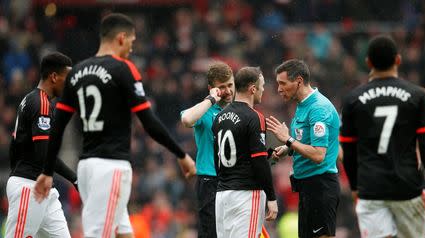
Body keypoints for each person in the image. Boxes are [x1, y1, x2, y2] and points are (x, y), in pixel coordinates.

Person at [33, 13, 196, 238]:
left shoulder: (77, 72)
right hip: (111, 167)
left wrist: (47, 171)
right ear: (121, 38)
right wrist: (181, 154)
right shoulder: (124, 69)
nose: (131, 48)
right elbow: (148, 121)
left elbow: (58, 127)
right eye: (131, 41)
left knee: (123, 232)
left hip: (87, 167)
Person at [340, 35, 425, 238]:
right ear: (398, 59)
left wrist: (354, 186)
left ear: (368, 62)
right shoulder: (419, 96)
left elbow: (349, 151)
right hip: (407, 187)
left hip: (370, 188)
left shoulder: (352, 100)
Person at [5, 52, 77, 237]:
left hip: (42, 189)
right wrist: (74, 178)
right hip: (30, 187)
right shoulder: (41, 104)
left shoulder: (30, 100)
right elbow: (43, 153)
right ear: (54, 76)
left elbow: (15, 147)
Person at [267, 59, 340, 238]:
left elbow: (318, 154)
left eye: (283, 83)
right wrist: (287, 149)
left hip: (321, 186)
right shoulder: (302, 105)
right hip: (308, 186)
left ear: (298, 81)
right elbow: (303, 141)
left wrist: (288, 139)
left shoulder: (318, 109)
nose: (279, 89)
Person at [212, 67, 278, 238]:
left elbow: (221, 158)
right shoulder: (254, 117)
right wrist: (271, 197)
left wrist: (267, 154)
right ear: (252, 88)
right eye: (262, 86)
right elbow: (258, 162)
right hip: (247, 195)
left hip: (222, 195)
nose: (263, 90)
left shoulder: (219, 117)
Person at [180, 62, 234, 238]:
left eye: (230, 85)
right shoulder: (205, 110)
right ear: (211, 88)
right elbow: (187, 119)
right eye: (221, 87)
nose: (227, 90)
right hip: (210, 181)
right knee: (210, 233)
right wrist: (210, 100)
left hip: (235, 181)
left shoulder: (240, 111)